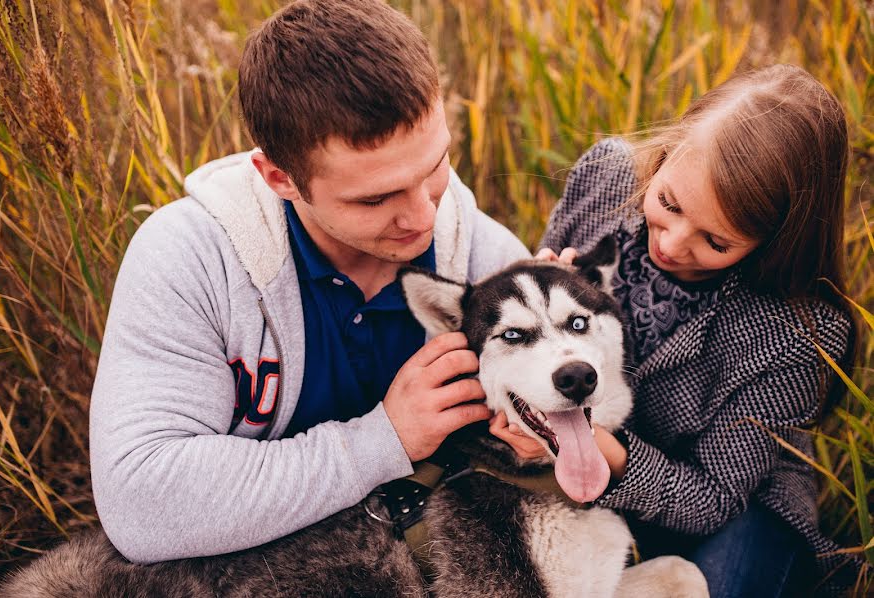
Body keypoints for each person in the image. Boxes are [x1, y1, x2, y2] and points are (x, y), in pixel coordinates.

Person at [89, 0, 529, 563]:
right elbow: (143, 504)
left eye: (435, 166)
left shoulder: (488, 265)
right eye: (375, 198)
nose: (422, 216)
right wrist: (383, 440)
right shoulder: (190, 257)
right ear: (280, 177)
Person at [492, 64, 860, 596]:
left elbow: (710, 500)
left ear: (776, 240)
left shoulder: (796, 334)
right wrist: (541, 294)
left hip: (729, 508)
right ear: (665, 155)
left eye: (715, 242)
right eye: (668, 205)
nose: (672, 244)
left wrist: (600, 451)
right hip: (571, 457)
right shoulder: (608, 179)